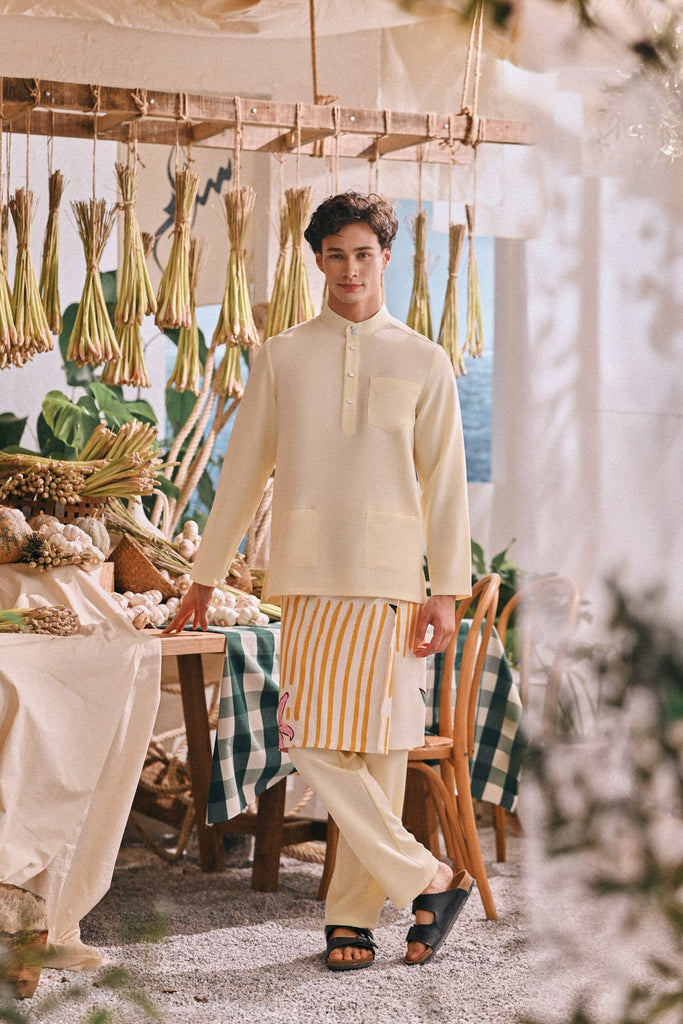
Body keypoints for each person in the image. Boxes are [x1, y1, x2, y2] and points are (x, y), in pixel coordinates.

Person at [165, 190, 474, 970]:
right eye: (334, 255)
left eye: (362, 254)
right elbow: (243, 471)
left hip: (391, 581)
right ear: (318, 262)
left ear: (384, 258)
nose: (349, 269)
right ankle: (429, 876)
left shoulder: (424, 359)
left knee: (378, 750)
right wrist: (203, 577)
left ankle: (349, 919)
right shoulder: (282, 355)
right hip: (305, 577)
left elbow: (444, 484)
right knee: (305, 738)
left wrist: (445, 590)